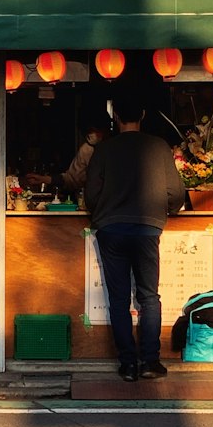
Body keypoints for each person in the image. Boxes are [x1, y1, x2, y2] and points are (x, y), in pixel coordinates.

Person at [84, 91, 185, 382]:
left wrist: (101, 212)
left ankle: (128, 364)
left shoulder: (104, 149)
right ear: (142, 115)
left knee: (118, 299)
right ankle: (150, 362)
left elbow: (91, 194)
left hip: (111, 229)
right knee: (149, 297)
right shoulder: (159, 146)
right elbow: (176, 193)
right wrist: (169, 209)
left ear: (115, 116)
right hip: (147, 228)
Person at [58, 123, 106, 195]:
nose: (94, 135)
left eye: (98, 131)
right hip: (86, 193)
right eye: (91, 131)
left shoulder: (108, 148)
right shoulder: (86, 149)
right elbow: (73, 178)